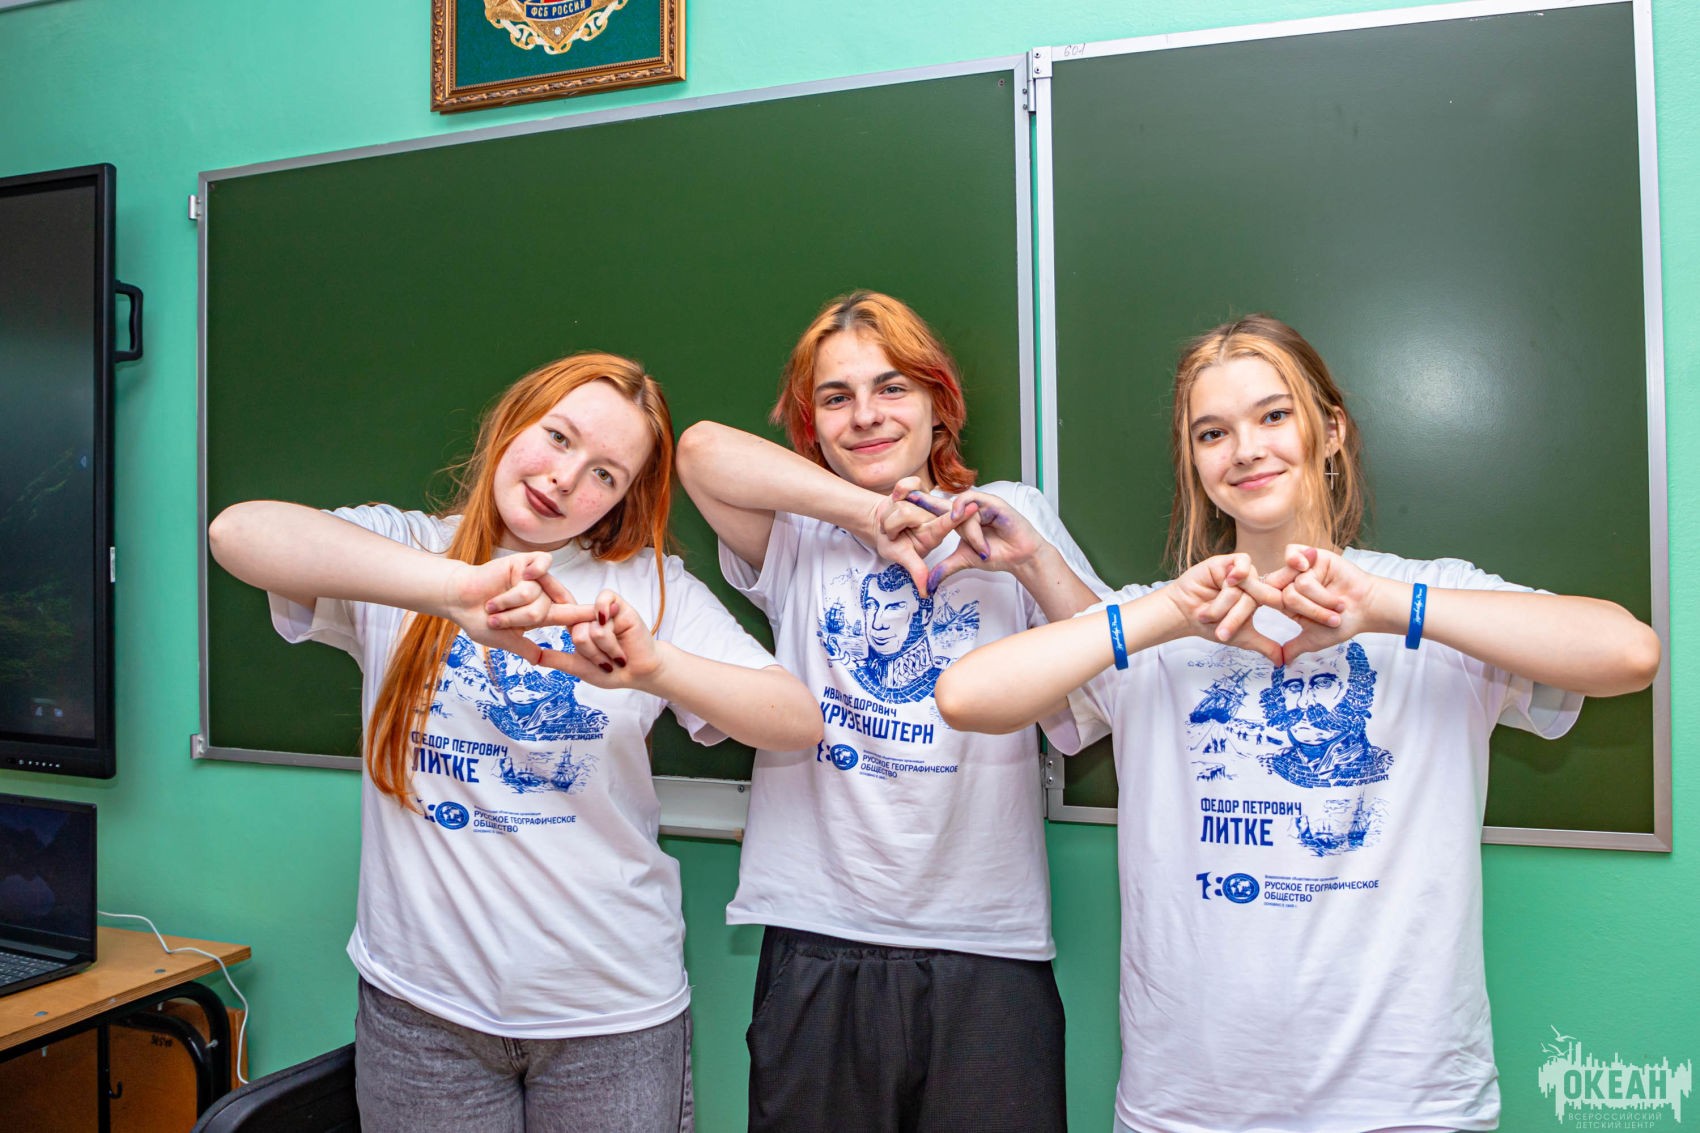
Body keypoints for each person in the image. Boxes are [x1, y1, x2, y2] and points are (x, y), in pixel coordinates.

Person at [933, 314, 1661, 1133]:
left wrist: (1387, 607)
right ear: (1194, 460)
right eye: (1213, 432)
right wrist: (1166, 614)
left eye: (1273, 415)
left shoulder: (1427, 598)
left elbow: (1629, 651)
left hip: (1405, 1103)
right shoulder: (1161, 619)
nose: (1245, 449)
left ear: (1332, 430)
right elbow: (967, 696)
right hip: (1187, 1107)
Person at [207, 353, 821, 1133]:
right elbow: (238, 533)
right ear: (512, 421)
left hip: (610, 1015)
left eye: (604, 474)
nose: (565, 479)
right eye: (558, 437)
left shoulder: (648, 588)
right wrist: (455, 588)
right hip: (422, 1011)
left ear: (622, 499)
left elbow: (794, 716)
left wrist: (656, 667)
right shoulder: (405, 552)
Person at [675, 290, 1109, 1132]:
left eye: (892, 387)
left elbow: (1109, 678)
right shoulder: (799, 531)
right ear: (813, 424)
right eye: (836, 397)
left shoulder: (1008, 514)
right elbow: (699, 451)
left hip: (987, 942)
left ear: (939, 404)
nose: (866, 415)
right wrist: (869, 514)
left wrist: (1031, 563)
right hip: (816, 931)